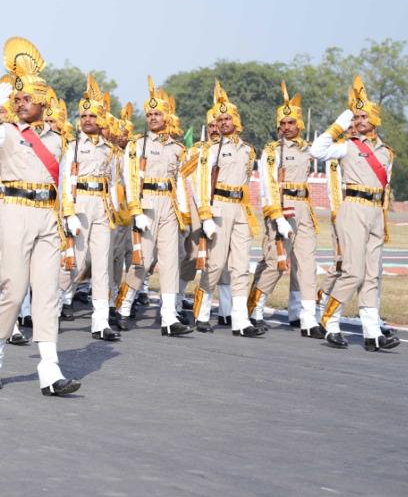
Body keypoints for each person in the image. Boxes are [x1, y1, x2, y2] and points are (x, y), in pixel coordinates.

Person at [0, 37, 79, 394]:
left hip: (47, 217)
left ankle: (49, 371)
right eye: (17, 99)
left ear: (43, 102)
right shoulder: (4, 133)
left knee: (47, 293)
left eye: (26, 99)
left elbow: (64, 183)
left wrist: (67, 217)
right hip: (14, 213)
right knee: (13, 289)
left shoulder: (59, 139)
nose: (20, 103)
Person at [311, 76, 400, 351]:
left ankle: (372, 334)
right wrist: (341, 122)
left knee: (373, 274)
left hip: (376, 212)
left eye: (363, 116)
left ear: (375, 119)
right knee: (353, 272)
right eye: (356, 117)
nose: (359, 121)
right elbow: (317, 150)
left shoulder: (386, 153)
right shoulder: (348, 145)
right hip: (353, 208)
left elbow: (385, 188)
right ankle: (330, 322)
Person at [117, 78, 192, 336]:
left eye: (157, 114)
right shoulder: (137, 145)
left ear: (167, 116)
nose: (152, 118)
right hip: (146, 205)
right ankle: (123, 306)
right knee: (143, 261)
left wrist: (184, 215)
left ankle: (168, 317)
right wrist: (135, 211)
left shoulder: (178, 148)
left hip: (169, 205)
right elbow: (130, 178)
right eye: (149, 115)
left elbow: (179, 183)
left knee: (171, 261)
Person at [250, 83, 323, 337]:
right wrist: (276, 214)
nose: (286, 127)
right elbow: (267, 184)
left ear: (299, 124)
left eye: (291, 122)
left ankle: (306, 317)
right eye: (282, 123)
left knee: (307, 264)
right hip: (283, 207)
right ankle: (255, 309)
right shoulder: (272, 150)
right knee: (276, 262)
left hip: (304, 207)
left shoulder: (307, 148)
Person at [192, 82, 265, 337]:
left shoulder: (248, 150)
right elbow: (202, 182)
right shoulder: (211, 150)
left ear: (236, 120)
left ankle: (240, 321)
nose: (223, 123)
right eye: (219, 120)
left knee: (241, 266)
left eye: (227, 118)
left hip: (241, 208)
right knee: (215, 264)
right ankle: (201, 312)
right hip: (220, 207)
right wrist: (206, 215)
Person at [60, 74, 122, 341]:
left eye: (92, 116)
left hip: (102, 206)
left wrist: (116, 211)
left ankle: (100, 322)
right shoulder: (72, 147)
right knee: (75, 262)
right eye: (84, 116)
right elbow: (65, 181)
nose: (87, 120)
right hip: (80, 204)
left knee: (102, 264)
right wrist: (68, 213)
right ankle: (53, 305)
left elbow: (114, 182)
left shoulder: (111, 150)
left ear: (101, 119)